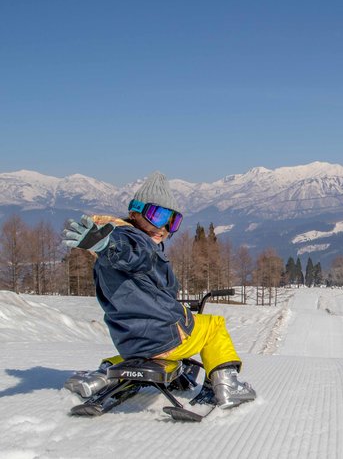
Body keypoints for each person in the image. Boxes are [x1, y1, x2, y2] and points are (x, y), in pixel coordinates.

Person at [63, 171, 255, 408]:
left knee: (148, 352)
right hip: (163, 336)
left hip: (128, 339)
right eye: (158, 215)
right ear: (135, 212)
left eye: (173, 221)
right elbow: (133, 254)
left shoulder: (118, 247)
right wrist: (107, 245)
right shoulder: (133, 242)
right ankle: (228, 387)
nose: (164, 227)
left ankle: (101, 378)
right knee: (213, 326)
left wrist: (106, 247)